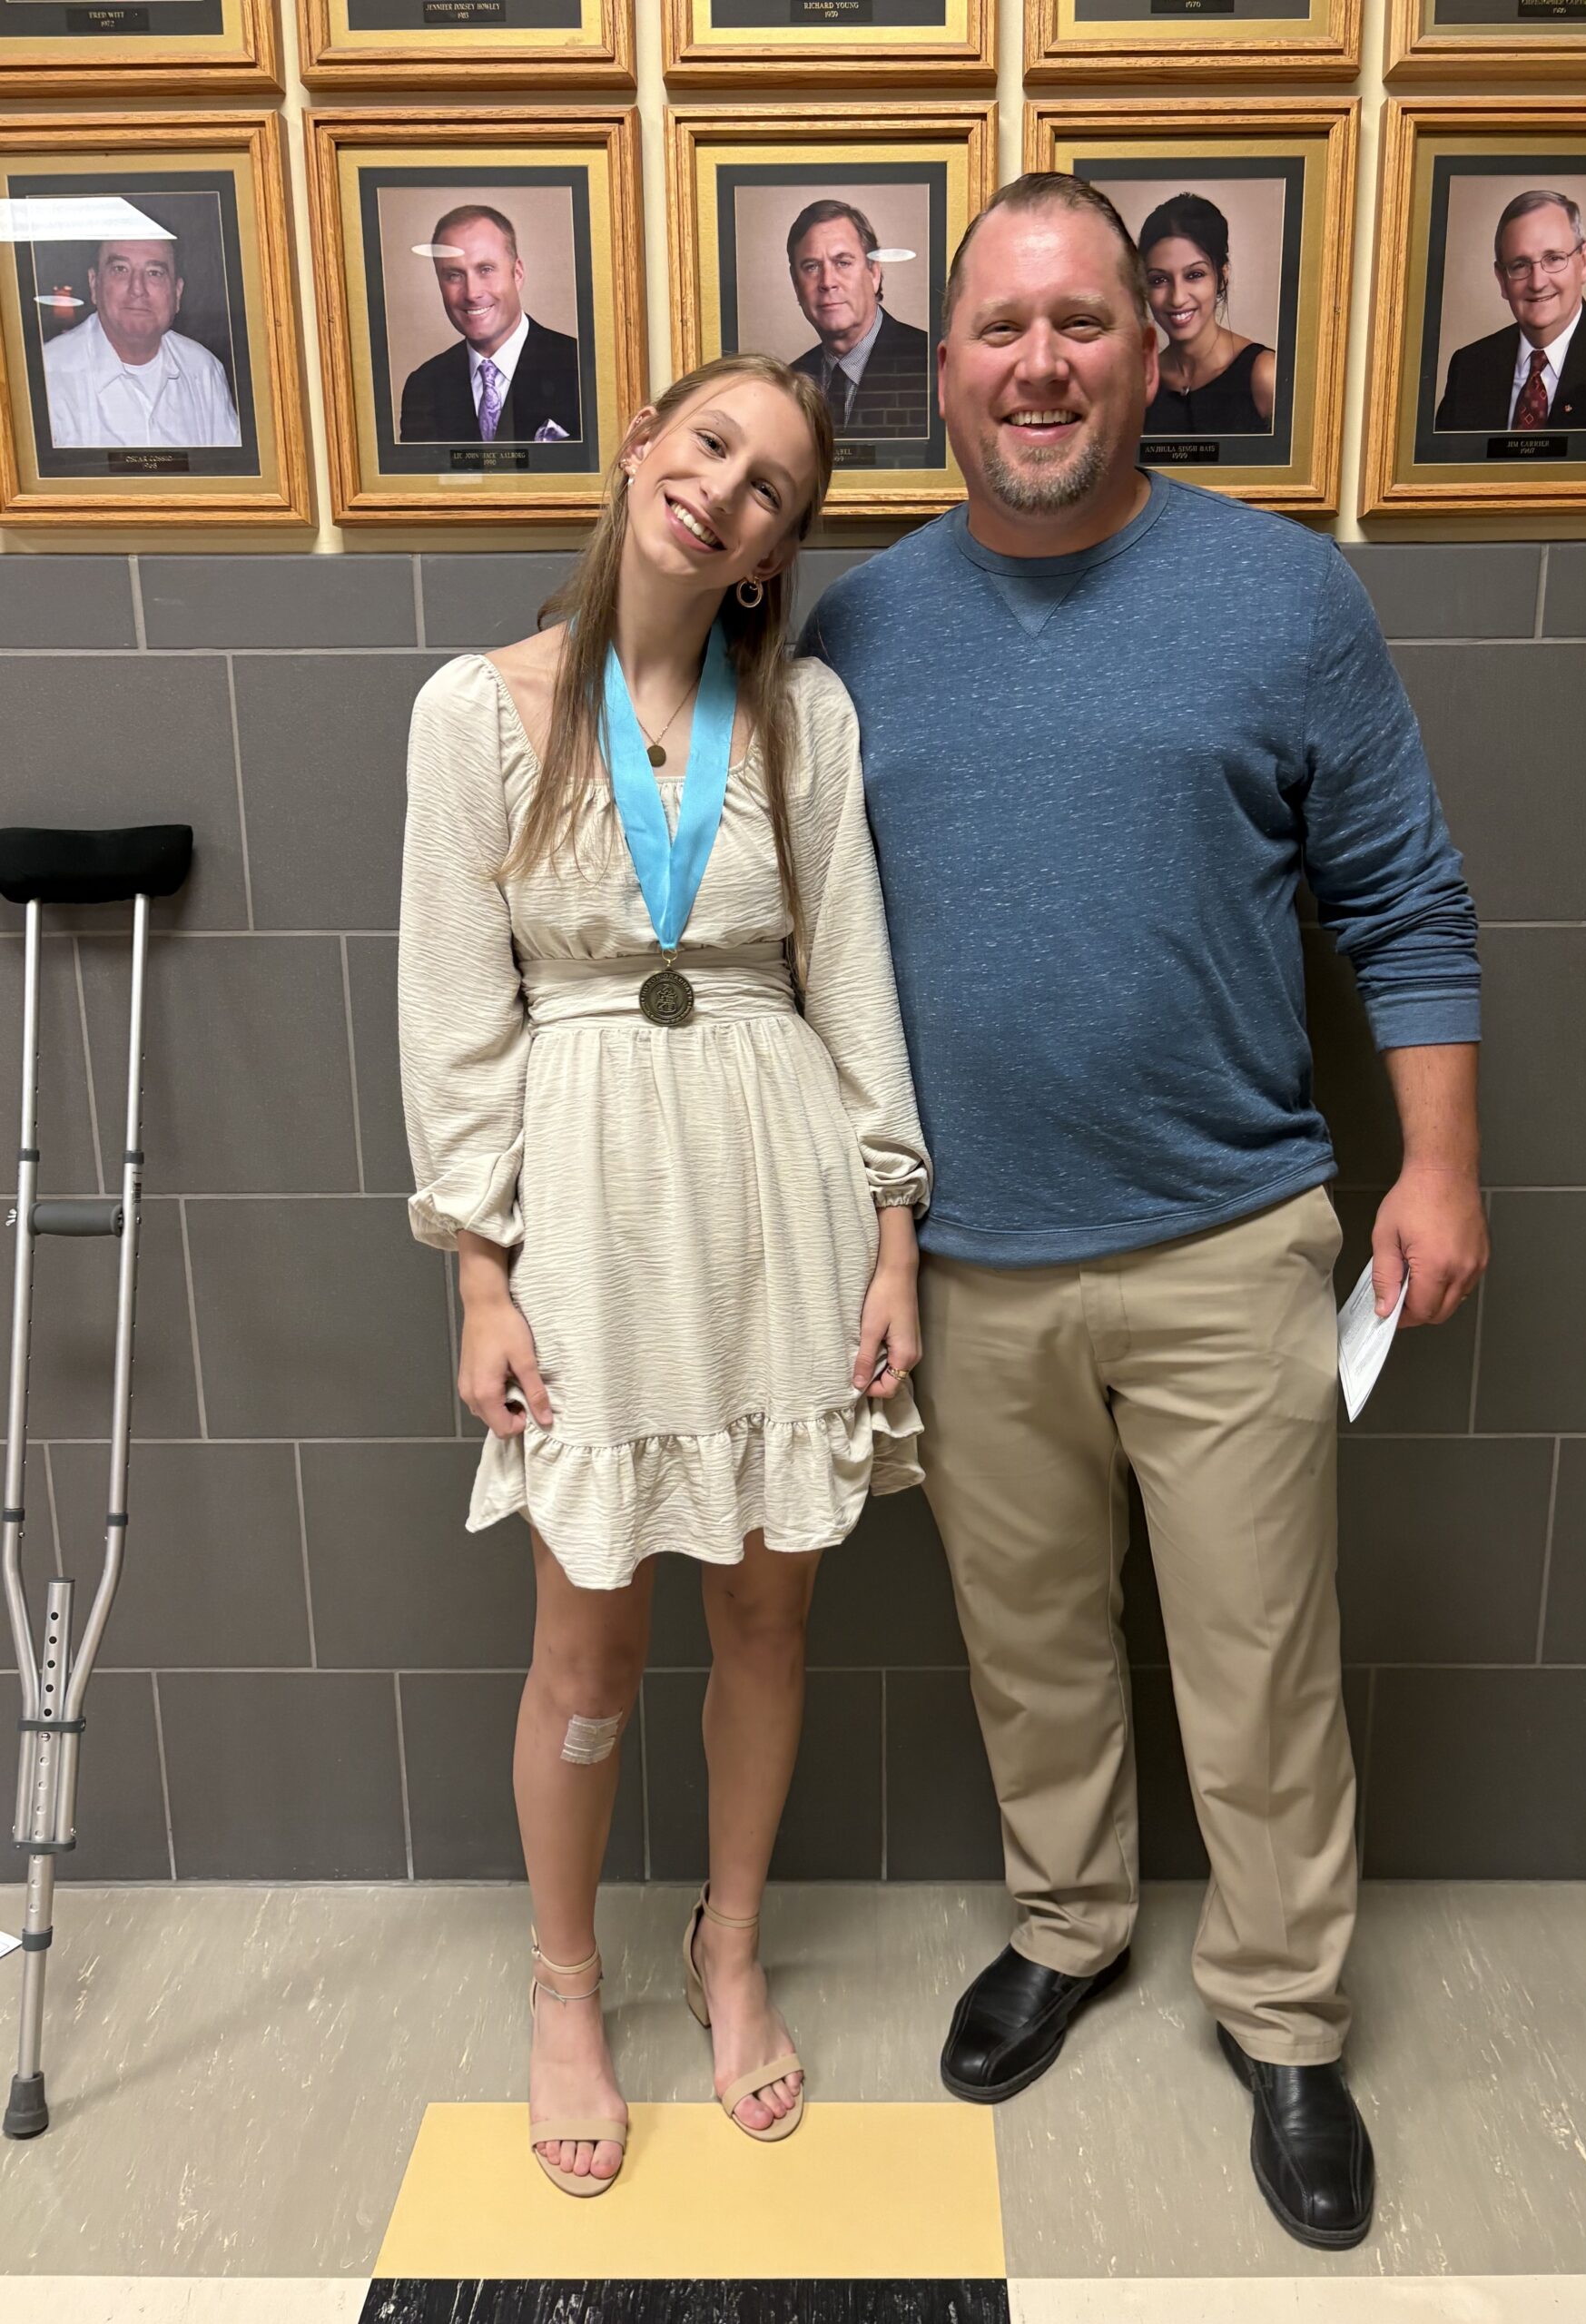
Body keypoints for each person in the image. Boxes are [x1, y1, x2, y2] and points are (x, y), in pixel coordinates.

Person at [803, 173, 1485, 2252]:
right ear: (946, 366)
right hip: (968, 1261)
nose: (1037, 363)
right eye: (998, 328)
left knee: (1261, 1664)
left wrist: (1436, 1160)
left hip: (1228, 1237)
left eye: (1079, 323)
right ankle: (1069, 1924)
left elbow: (1404, 901)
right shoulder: (855, 630)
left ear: (1151, 346)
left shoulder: (1286, 603)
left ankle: (1283, 2019)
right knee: (1031, 1651)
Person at [398, 352, 929, 2200]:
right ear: (640, 445)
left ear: (779, 552)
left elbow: (852, 976)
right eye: (710, 443)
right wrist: (481, 1275)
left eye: (773, 484)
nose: (726, 489)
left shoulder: (810, 723)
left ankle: (729, 1939)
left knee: (771, 1617)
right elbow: (458, 1025)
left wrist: (890, 1233)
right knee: (587, 1635)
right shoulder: (478, 711)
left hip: (778, 1188)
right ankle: (565, 1981)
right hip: (594, 1205)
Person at [1434, 189, 1586, 434]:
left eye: (1554, 259)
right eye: (1520, 265)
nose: (1537, 283)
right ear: (1501, 279)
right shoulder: (1470, 368)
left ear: (1584, 262)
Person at [398, 204, 583, 445]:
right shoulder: (423, 386)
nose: (472, 293)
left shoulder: (579, 367)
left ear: (517, 273)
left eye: (485, 269)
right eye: (454, 275)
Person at [44, 237, 241, 450]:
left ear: (177, 292)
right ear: (94, 283)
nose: (137, 289)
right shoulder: (46, 375)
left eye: (154, 273)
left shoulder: (203, 370)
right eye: (121, 269)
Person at [785, 199, 931, 438]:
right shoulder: (788, 384)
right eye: (811, 267)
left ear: (874, 273)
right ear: (795, 283)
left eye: (843, 262)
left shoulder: (930, 366)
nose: (827, 282)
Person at [1138, 192, 1275, 437]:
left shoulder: (1265, 375)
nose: (1177, 298)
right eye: (1159, 280)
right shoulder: (1139, 384)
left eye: (1194, 275)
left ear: (1222, 276)